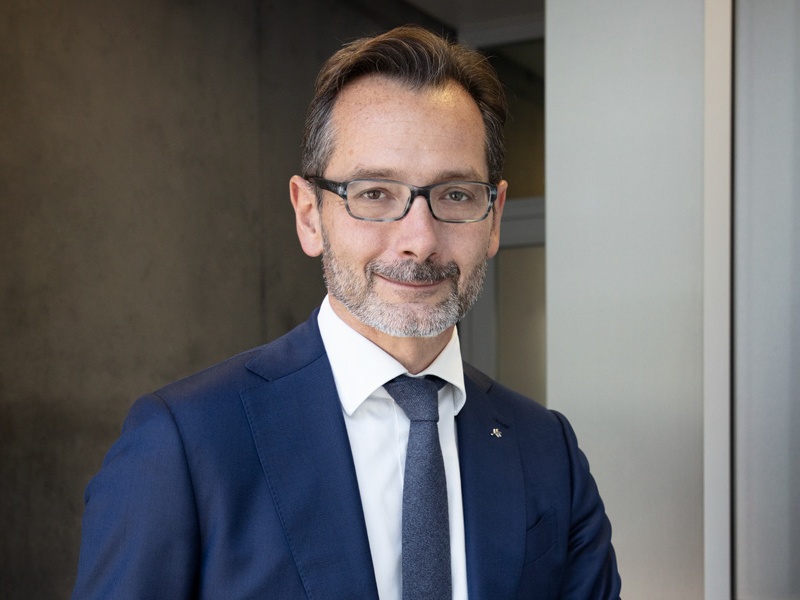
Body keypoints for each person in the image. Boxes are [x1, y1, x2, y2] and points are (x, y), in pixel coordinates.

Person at [72, 25, 621, 600]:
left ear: (495, 216)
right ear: (309, 215)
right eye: (374, 193)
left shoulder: (547, 451)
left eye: (456, 194)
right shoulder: (185, 444)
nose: (419, 241)